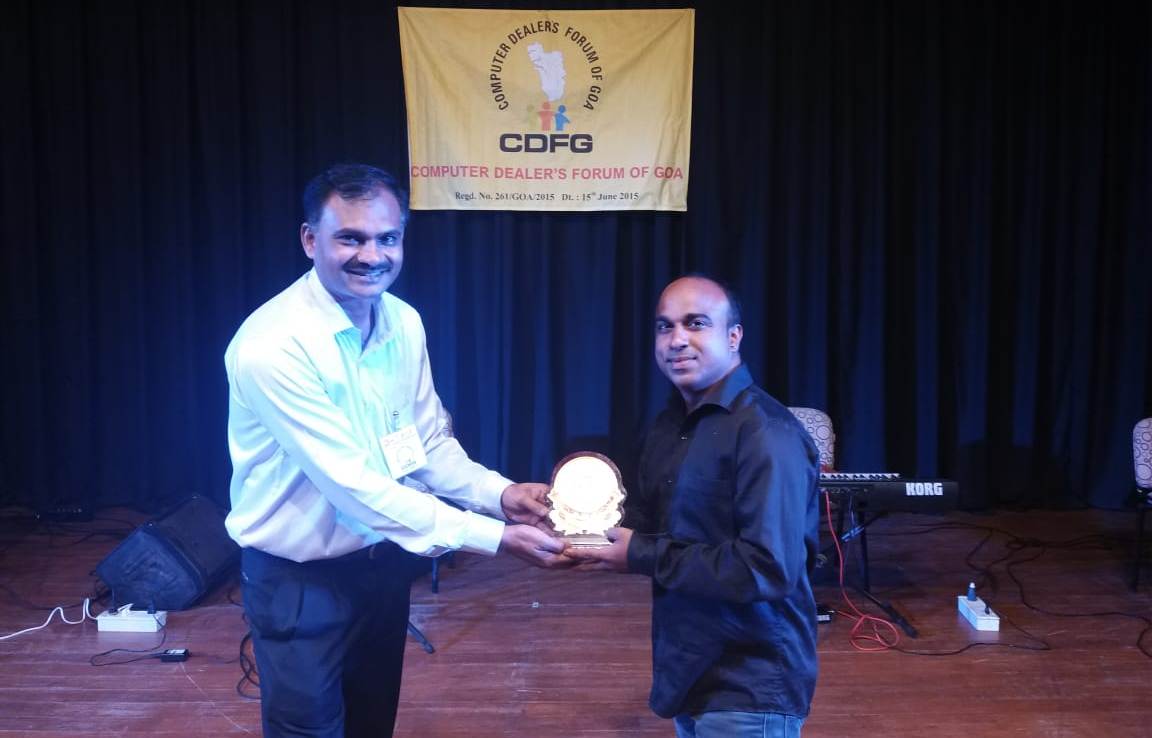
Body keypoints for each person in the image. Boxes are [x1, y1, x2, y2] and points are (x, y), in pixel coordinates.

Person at [224, 163, 571, 737]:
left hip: (382, 567)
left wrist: (501, 495)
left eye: (387, 238)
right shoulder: (272, 347)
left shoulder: (403, 322)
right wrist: (494, 537)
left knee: (371, 726)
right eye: (350, 238)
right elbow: (354, 486)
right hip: (298, 583)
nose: (372, 255)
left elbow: (423, 444)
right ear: (310, 240)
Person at [569, 275, 820, 737]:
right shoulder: (671, 425)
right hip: (690, 673)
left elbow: (766, 568)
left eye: (696, 323)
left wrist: (638, 553)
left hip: (750, 685)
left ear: (734, 336)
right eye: (664, 326)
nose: (677, 339)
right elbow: (657, 524)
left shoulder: (767, 433)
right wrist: (574, 519)